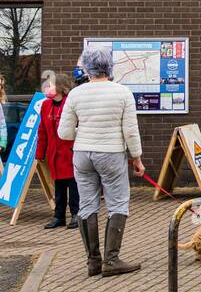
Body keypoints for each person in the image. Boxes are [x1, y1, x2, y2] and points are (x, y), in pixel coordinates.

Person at [58, 47, 145, 277]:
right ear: (110, 67)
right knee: (117, 203)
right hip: (111, 153)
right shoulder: (123, 93)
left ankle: (93, 262)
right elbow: (130, 131)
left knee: (87, 205)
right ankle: (112, 260)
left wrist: (85, 134)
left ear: (87, 69)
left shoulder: (75, 95)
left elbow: (64, 133)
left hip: (83, 154)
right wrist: (136, 158)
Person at [36, 74, 80, 229]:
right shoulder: (46, 105)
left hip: (70, 152)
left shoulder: (71, 104)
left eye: (51, 85)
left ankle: (76, 215)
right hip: (54, 154)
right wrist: (40, 153)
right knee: (59, 187)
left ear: (61, 87)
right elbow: (42, 131)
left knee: (74, 186)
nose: (47, 88)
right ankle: (58, 216)